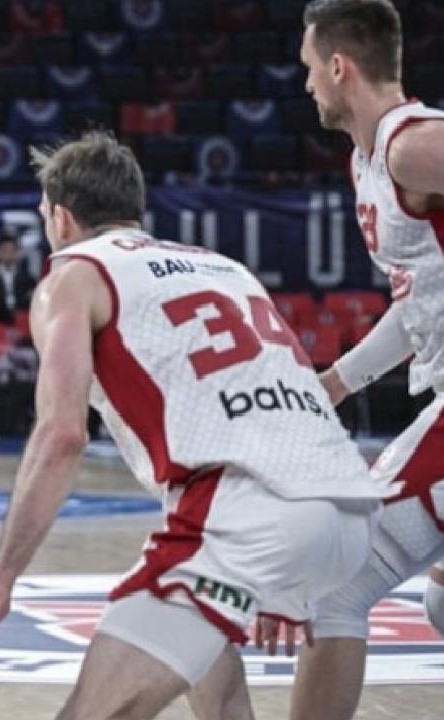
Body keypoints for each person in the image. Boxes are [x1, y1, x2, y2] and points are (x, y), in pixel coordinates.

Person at [0, 131, 390, 720]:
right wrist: (293, 568)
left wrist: (1, 581)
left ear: (61, 218)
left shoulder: (72, 277)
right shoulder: (225, 268)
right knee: (217, 694)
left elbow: (61, 435)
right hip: (346, 506)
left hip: (252, 513)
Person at [277, 2, 444, 718]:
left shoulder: (415, 146)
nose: (307, 83)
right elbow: (421, 301)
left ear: (340, 66)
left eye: (310, 67)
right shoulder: (367, 162)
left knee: (333, 581)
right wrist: (338, 382)